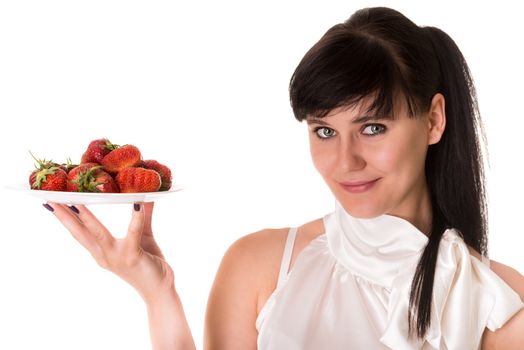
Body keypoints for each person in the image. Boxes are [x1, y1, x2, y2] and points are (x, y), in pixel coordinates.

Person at [42, 6, 523, 350]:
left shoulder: (500, 303)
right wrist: (157, 292)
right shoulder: (258, 265)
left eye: (373, 127)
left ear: (434, 120)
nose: (345, 160)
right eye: (325, 130)